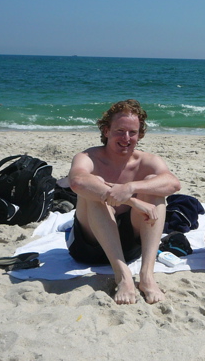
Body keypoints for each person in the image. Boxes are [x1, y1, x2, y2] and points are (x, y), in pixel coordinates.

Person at [68, 100, 180, 305]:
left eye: (132, 132)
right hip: (88, 246)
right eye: (120, 131)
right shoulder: (88, 157)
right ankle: (123, 276)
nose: (126, 138)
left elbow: (173, 184)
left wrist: (131, 187)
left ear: (140, 134)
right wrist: (132, 201)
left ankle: (147, 275)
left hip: (129, 249)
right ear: (106, 131)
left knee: (153, 186)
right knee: (94, 185)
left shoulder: (146, 160)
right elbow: (76, 181)